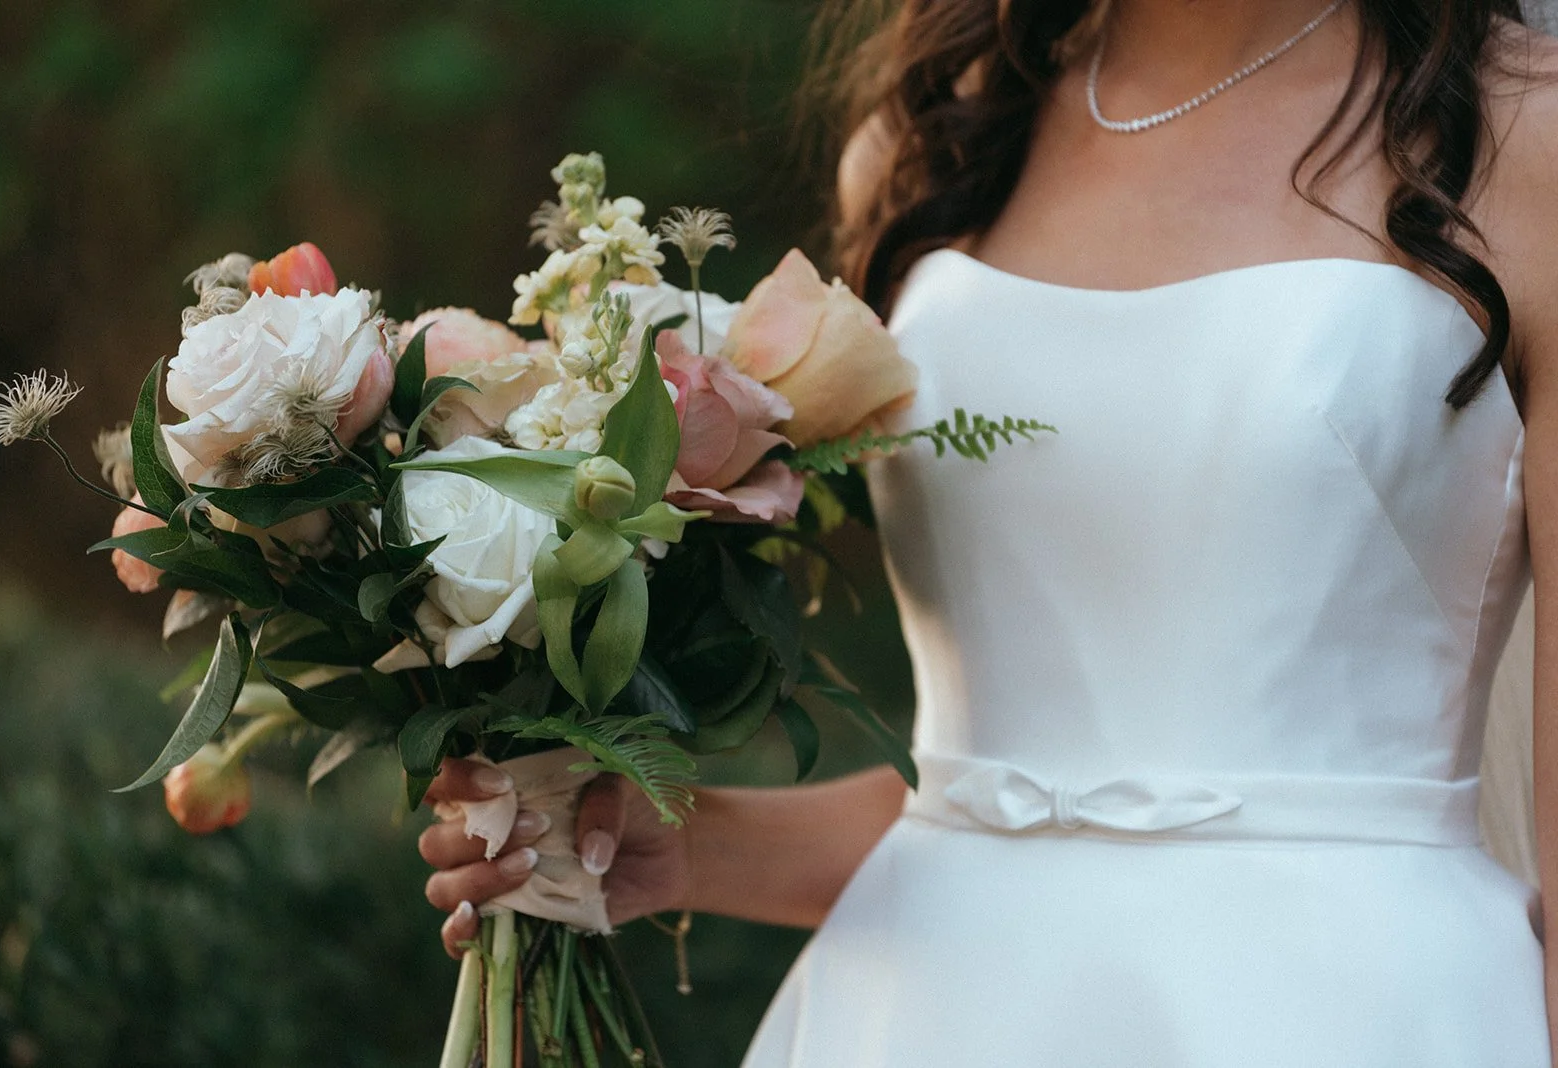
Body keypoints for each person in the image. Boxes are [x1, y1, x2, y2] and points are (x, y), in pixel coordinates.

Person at [421, 0, 1558, 1062]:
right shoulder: (935, 139)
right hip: (918, 1020)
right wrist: (678, 840)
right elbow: (980, 796)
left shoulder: (1525, 141)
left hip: (1356, 1016)